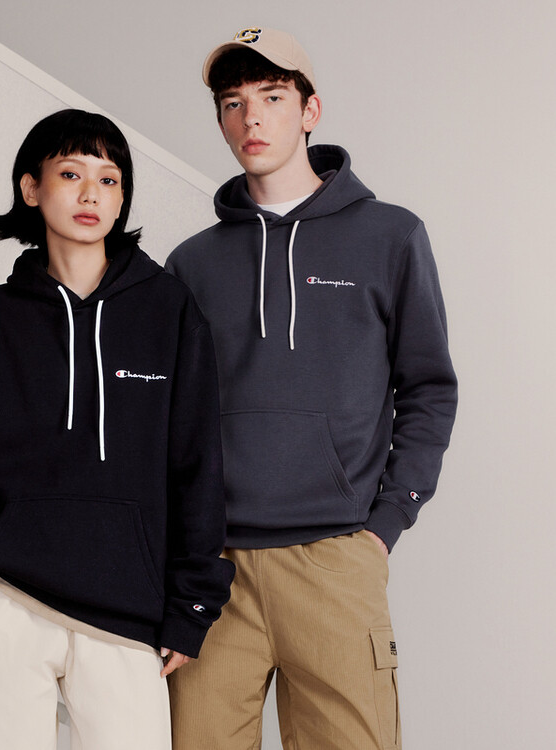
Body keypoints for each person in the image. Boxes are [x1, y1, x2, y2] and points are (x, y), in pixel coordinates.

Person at [0, 108, 234, 750]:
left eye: (109, 180)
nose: (91, 194)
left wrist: (192, 607)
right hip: (5, 601)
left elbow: (198, 469)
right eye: (71, 173)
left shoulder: (170, 312)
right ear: (31, 188)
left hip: (127, 618)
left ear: (122, 199)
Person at [164, 27, 457, 750]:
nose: (251, 118)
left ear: (310, 111)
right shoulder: (192, 264)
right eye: (233, 103)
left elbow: (428, 388)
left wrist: (386, 524)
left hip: (336, 559)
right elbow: (169, 421)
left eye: (271, 97)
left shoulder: (390, 236)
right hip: (214, 572)